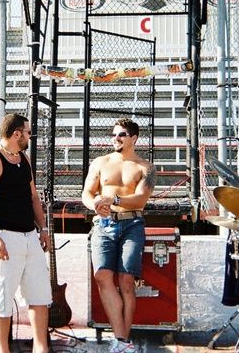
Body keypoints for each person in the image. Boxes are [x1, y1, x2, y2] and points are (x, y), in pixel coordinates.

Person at [0, 113, 52, 353]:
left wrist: (43, 228)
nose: (30, 136)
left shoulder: (24, 158)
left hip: (30, 237)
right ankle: (3, 350)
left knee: (40, 296)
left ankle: (41, 348)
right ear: (17, 134)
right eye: (28, 132)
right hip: (5, 238)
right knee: (1, 299)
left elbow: (33, 197)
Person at [82, 118, 156, 353]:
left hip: (132, 224)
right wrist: (95, 205)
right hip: (103, 224)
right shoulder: (100, 162)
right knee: (102, 276)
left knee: (126, 281)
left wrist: (113, 199)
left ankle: (123, 340)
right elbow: (87, 192)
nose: (116, 138)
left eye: (122, 134)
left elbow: (141, 199)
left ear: (134, 138)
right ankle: (121, 340)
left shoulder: (146, 167)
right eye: (114, 134)